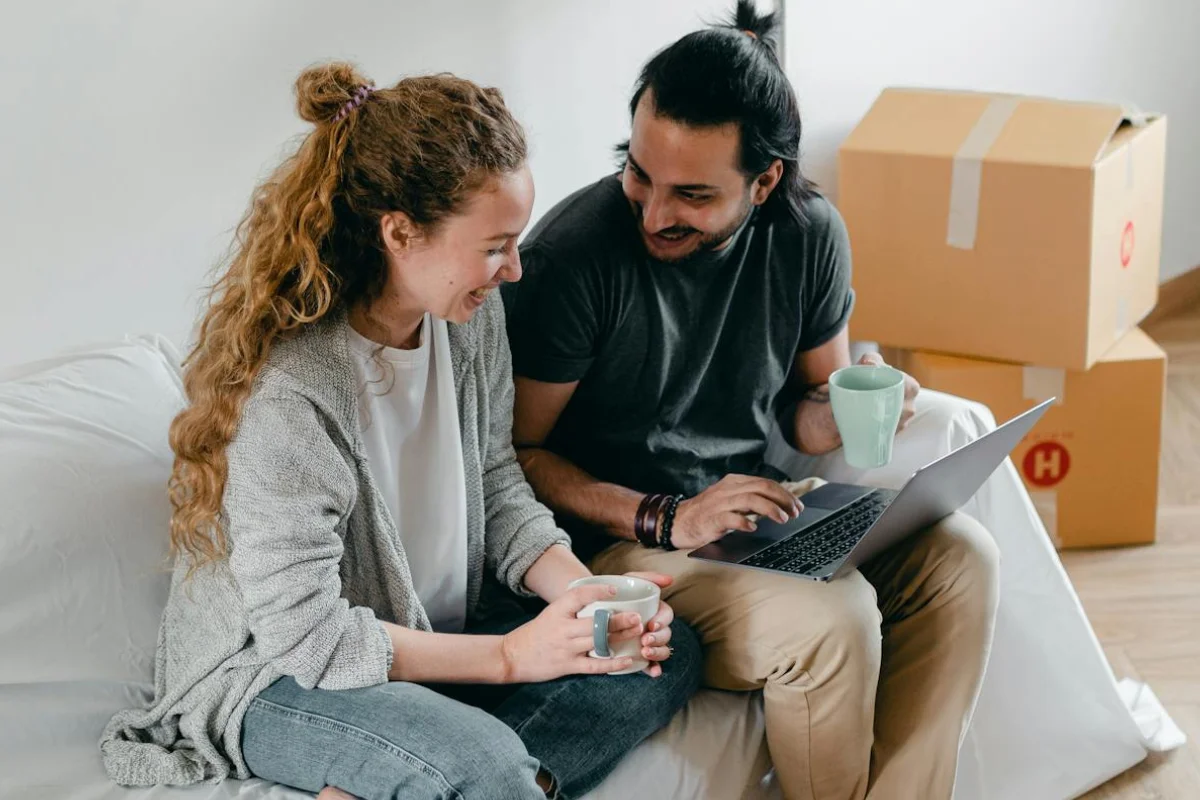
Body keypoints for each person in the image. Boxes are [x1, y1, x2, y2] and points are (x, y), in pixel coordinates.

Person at [99, 63, 702, 800]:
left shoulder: (469, 322)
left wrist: (588, 598)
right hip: (282, 679)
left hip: (428, 636)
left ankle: (454, 781)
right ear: (400, 233)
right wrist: (513, 657)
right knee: (482, 765)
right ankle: (479, 776)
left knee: (658, 654)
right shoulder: (289, 393)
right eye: (493, 246)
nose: (513, 270)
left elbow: (495, 483)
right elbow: (311, 640)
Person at [502, 4, 1001, 799]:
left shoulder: (807, 234)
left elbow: (806, 405)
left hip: (748, 515)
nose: (654, 213)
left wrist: (842, 410)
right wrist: (670, 516)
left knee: (963, 560)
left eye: (692, 195)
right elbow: (516, 459)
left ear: (764, 180)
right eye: (639, 172)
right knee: (833, 623)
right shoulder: (575, 258)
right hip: (619, 544)